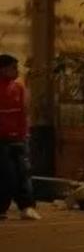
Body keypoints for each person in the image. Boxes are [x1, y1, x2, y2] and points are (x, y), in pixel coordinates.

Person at [0, 54, 40, 220]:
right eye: (13, 68)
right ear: (3, 69)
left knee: (23, 172)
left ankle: (27, 206)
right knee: (6, 174)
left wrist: (24, 134)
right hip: (1, 139)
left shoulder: (19, 87)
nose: (17, 71)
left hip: (19, 138)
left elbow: (24, 113)